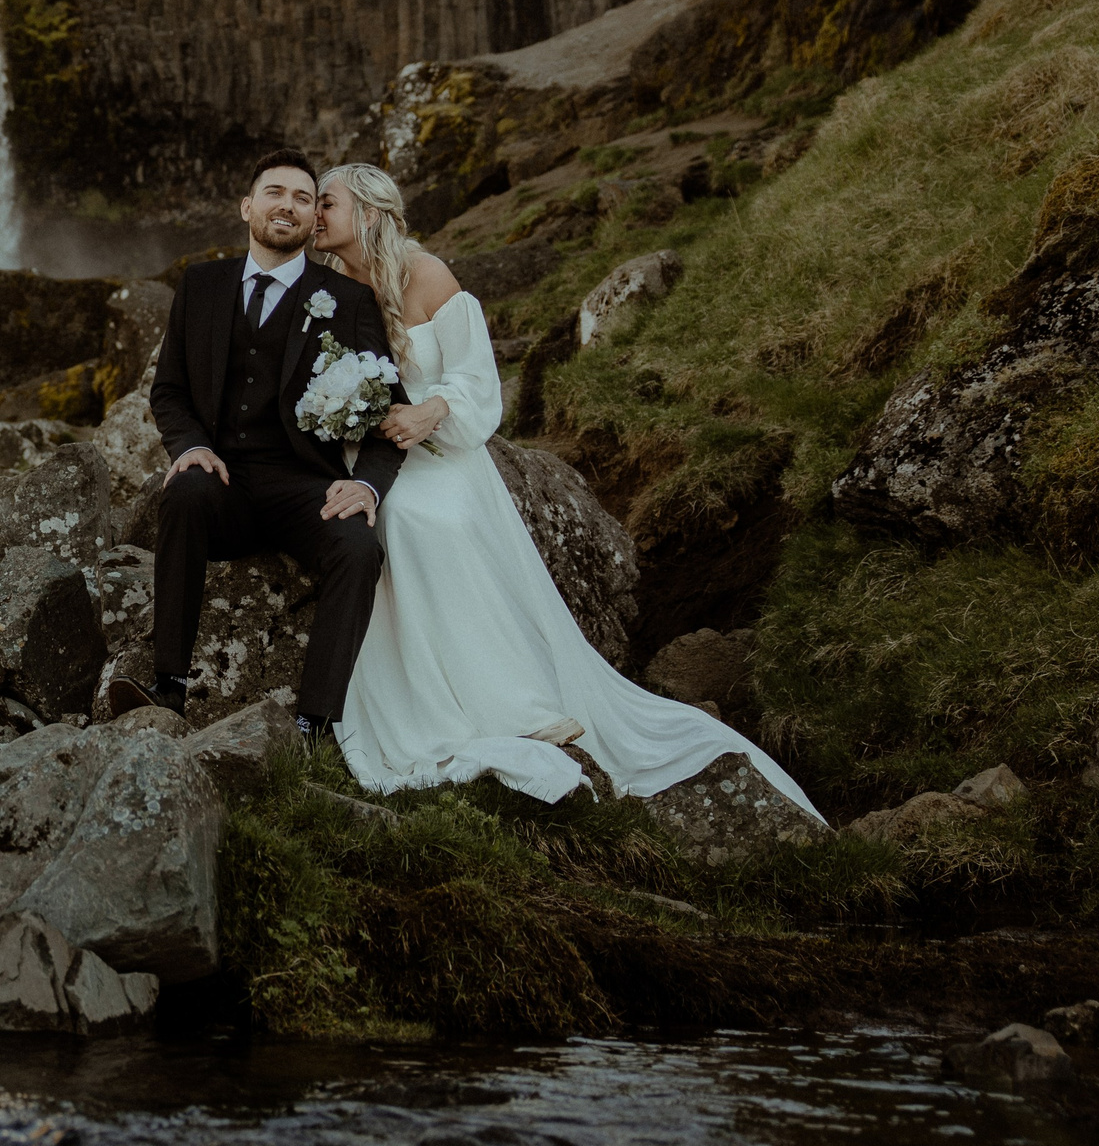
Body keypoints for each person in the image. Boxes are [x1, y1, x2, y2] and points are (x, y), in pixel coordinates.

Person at [309, 161, 824, 814]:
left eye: (326, 202)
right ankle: (435, 701)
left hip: (446, 453)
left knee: (430, 518)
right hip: (373, 457)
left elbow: (476, 382)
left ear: (370, 214)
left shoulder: (427, 275)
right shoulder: (324, 289)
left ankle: (518, 703)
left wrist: (430, 411)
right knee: (399, 517)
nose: (314, 214)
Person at [114, 148, 407, 740]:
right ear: (248, 205)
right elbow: (168, 391)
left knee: (358, 548)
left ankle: (315, 721)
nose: (289, 205)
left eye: (304, 198)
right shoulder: (200, 284)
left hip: (307, 488)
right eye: (275, 192)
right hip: (223, 481)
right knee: (184, 493)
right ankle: (167, 687)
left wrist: (368, 484)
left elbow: (389, 409)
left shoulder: (346, 301)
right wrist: (189, 446)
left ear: (311, 221)